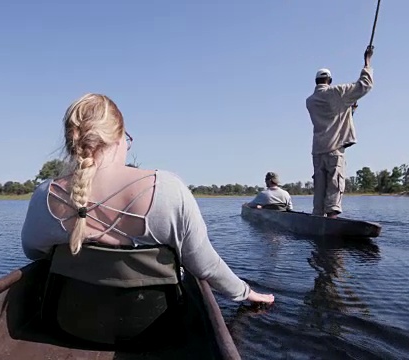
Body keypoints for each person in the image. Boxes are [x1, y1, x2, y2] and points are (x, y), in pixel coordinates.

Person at [21, 93, 274, 305]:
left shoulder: (45, 195)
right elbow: (206, 266)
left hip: (70, 321)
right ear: (119, 139)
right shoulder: (167, 189)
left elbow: (33, 252)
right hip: (154, 331)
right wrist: (246, 293)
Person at [305, 46, 374, 218]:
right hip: (334, 149)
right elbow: (365, 85)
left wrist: (349, 112)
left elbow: (331, 117)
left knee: (319, 191)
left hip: (318, 150)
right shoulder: (337, 93)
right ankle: (332, 222)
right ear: (330, 80)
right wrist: (367, 62)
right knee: (335, 187)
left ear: (316, 81)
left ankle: (317, 220)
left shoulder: (310, 101)